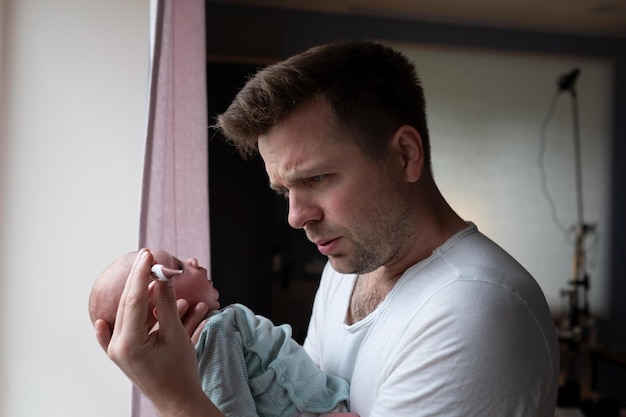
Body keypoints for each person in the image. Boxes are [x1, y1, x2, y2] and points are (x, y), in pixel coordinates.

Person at [99, 41, 560, 417]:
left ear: (405, 155)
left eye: (316, 179)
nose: (296, 216)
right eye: (284, 190)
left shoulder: (475, 309)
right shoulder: (347, 268)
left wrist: (176, 398)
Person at [90, 249, 354, 417]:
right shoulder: (212, 334)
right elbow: (232, 409)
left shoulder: (219, 327)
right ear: (165, 309)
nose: (193, 260)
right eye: (179, 267)